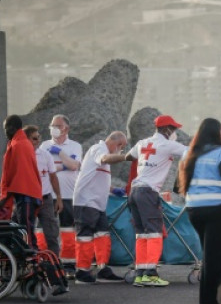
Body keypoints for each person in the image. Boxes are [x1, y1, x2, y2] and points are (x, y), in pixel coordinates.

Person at [179, 118, 221, 304]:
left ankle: (208, 296)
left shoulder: (188, 155)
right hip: (217, 209)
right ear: (217, 133)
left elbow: (179, 185)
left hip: (194, 210)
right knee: (216, 253)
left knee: (209, 252)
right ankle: (217, 290)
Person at [125, 114, 188, 287]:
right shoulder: (168, 145)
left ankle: (140, 273)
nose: (174, 131)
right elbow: (190, 153)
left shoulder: (142, 143)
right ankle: (151, 273)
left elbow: (129, 156)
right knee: (154, 233)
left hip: (135, 191)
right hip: (148, 192)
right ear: (167, 129)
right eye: (173, 128)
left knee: (141, 234)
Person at [71, 131, 130, 284]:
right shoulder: (99, 149)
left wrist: (112, 189)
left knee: (102, 235)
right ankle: (82, 271)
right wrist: (125, 157)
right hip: (86, 202)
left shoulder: (101, 152)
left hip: (97, 203)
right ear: (116, 143)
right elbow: (105, 159)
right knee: (85, 236)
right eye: (120, 147)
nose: (119, 150)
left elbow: (96, 176)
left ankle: (103, 269)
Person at [0, 115, 42, 249]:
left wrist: (4, 199)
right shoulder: (21, 143)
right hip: (27, 194)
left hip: (26, 195)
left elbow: (19, 176)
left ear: (11, 128)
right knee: (17, 228)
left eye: (5, 129)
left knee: (26, 232)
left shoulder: (19, 145)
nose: (5, 132)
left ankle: (35, 261)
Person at [42, 114, 83, 274]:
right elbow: (42, 168)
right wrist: (63, 165)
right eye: (52, 125)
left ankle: (68, 264)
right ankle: (46, 261)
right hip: (48, 194)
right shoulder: (44, 145)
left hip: (68, 194)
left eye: (57, 126)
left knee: (68, 230)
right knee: (44, 230)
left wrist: (59, 154)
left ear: (66, 128)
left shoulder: (74, 146)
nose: (53, 128)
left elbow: (74, 166)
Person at [24, 125, 63, 257]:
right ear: (27, 140)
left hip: (45, 199)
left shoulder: (45, 155)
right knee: (26, 233)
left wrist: (58, 197)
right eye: (35, 138)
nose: (38, 141)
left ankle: (55, 263)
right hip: (27, 200)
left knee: (51, 233)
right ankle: (30, 264)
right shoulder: (21, 156)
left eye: (39, 137)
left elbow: (53, 176)